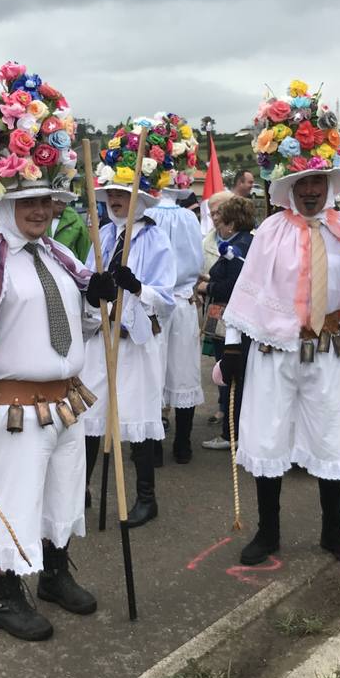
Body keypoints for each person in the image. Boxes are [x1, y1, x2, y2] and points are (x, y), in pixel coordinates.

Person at [0, 62, 118, 641]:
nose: (39, 210)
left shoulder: (59, 255)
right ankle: (5, 595)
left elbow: (79, 319)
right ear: (4, 202)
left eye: (47, 202)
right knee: (10, 498)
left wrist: (100, 296)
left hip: (64, 403)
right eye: (28, 201)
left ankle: (53, 573)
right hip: (9, 407)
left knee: (62, 492)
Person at [225, 79, 340, 567]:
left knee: (331, 437)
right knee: (268, 436)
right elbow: (245, 293)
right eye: (304, 184)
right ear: (291, 187)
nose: (313, 191)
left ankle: (333, 532)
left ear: (330, 185)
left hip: (327, 351)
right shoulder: (270, 232)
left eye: (319, 183)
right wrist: (233, 348)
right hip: (275, 352)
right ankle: (268, 531)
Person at [82, 120, 176, 527]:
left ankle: (145, 497)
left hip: (136, 342)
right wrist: (94, 290)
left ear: (139, 198)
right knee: (90, 412)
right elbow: (86, 279)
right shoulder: (102, 235)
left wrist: (137, 288)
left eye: (123, 193)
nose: (116, 200)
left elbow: (166, 298)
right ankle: (78, 487)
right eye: (111, 194)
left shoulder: (155, 239)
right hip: (101, 337)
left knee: (136, 416)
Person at [146, 113, 205, 464]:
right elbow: (195, 262)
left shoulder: (148, 216)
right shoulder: (187, 217)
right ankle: (183, 444)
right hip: (181, 302)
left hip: (152, 303)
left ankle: (152, 448)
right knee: (182, 370)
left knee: (153, 370)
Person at [197, 191, 255, 450]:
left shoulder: (236, 247)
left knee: (233, 377)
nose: (217, 221)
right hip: (241, 322)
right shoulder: (247, 242)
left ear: (232, 223)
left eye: (221, 218)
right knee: (239, 377)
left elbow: (234, 286)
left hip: (233, 323)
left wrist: (205, 288)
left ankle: (231, 435)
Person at [48, 196, 91, 261]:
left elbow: (85, 254)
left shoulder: (76, 221)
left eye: (64, 196)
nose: (61, 200)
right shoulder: (36, 219)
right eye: (56, 197)